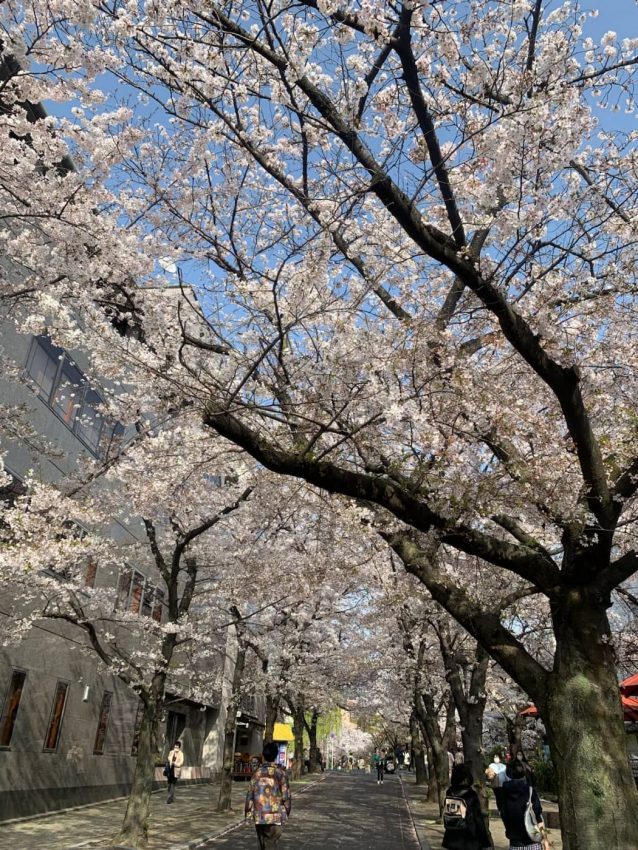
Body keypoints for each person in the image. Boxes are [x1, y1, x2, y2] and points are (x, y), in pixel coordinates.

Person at [245, 741, 292, 849]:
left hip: (259, 815)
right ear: (276, 755)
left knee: (262, 845)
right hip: (274, 816)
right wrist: (286, 812)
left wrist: (248, 814)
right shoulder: (280, 773)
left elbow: (249, 796)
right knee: (271, 844)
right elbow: (286, 796)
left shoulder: (256, 773)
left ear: (264, 755)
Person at [500, 761, 550, 850]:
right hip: (532, 840)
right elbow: (538, 817)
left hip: (514, 843)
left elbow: (504, 814)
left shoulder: (504, 793)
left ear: (508, 773)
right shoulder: (529, 791)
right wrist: (545, 840)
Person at [442, 764, 492, 850]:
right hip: (468, 837)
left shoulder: (450, 792)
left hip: (452, 835)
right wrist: (485, 842)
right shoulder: (470, 795)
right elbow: (478, 819)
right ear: (466, 778)